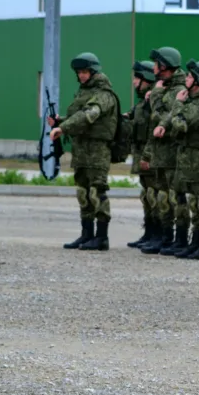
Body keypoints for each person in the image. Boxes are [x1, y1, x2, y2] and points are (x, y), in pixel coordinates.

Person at [157, 59, 199, 260]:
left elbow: (180, 124)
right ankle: (196, 242)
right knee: (195, 202)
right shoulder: (197, 102)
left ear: (198, 81)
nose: (186, 78)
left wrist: (178, 103)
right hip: (192, 159)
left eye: (189, 76)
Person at [51, 52, 118, 251]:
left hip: (97, 150)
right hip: (81, 149)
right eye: (79, 72)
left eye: (85, 72)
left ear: (93, 72)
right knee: (83, 192)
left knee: (97, 191)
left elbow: (89, 115)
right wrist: (60, 121)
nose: (81, 75)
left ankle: (102, 237)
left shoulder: (104, 94)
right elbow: (80, 117)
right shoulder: (83, 92)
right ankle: (86, 234)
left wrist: (63, 128)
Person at [141, 47, 188, 256]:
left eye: (156, 64)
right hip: (161, 153)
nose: (153, 68)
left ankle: (179, 239)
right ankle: (165, 237)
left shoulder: (178, 90)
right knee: (162, 198)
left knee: (176, 198)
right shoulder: (166, 88)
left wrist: (156, 95)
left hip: (173, 153)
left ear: (165, 65)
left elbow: (161, 118)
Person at [126, 60, 157, 249]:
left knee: (154, 195)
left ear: (147, 78)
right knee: (146, 195)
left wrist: (147, 156)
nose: (134, 82)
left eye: (137, 78)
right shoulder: (142, 102)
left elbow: (155, 129)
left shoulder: (154, 99)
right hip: (141, 153)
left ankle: (158, 235)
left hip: (151, 155)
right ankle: (149, 233)